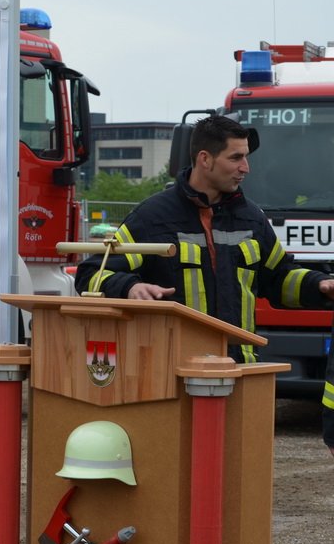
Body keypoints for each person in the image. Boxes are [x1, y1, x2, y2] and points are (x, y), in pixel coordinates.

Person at [75, 115, 334, 364]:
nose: (246, 167)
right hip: (172, 372)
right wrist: (129, 287)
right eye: (236, 158)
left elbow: (279, 278)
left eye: (246, 157)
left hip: (239, 368)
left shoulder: (251, 218)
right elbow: (92, 274)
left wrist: (319, 284)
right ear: (205, 159)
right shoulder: (152, 218)